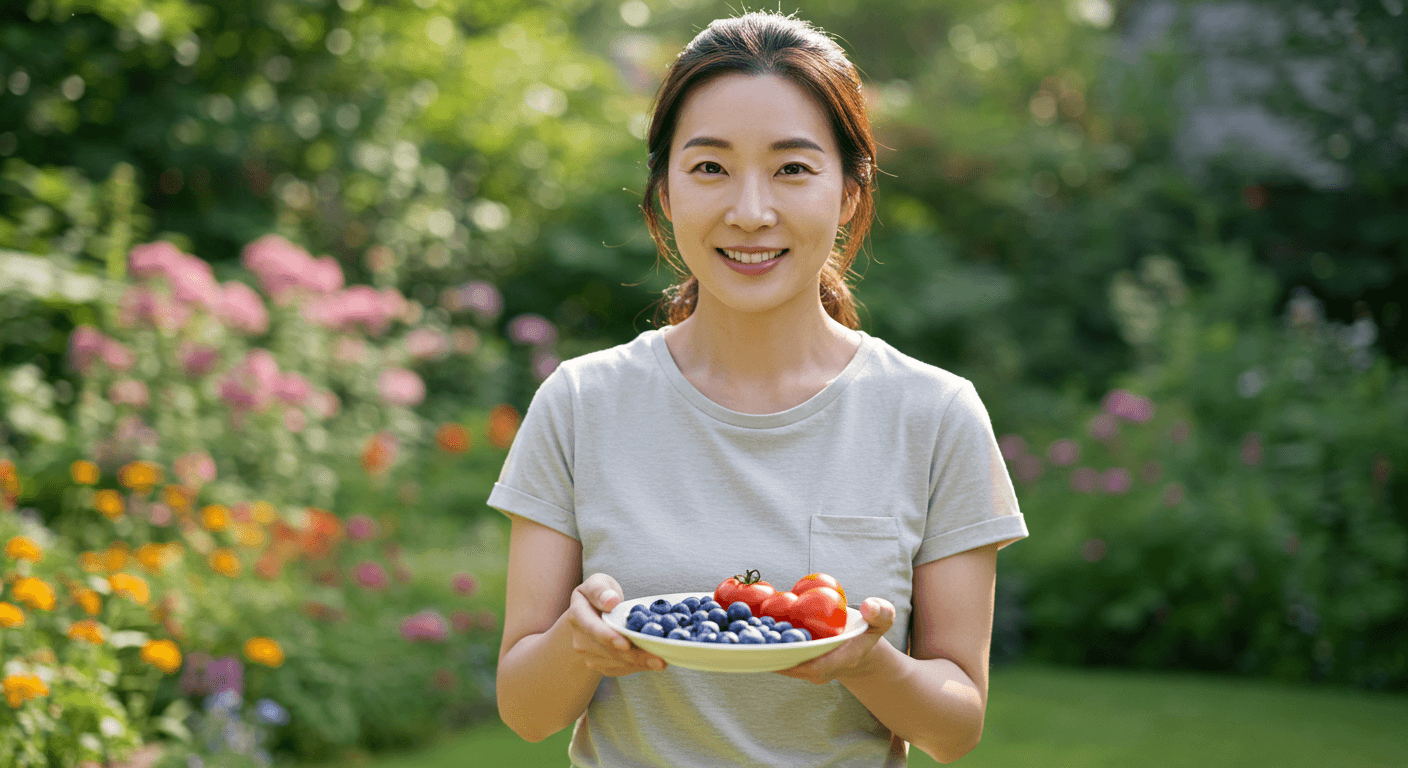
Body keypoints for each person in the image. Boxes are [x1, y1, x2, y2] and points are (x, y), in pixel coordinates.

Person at [490, 11, 1028, 767]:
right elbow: (524, 711)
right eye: (710, 167)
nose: (750, 211)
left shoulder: (933, 415)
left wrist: (867, 660)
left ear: (848, 191)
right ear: (666, 191)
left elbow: (955, 727)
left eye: (792, 168)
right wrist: (577, 646)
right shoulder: (581, 404)